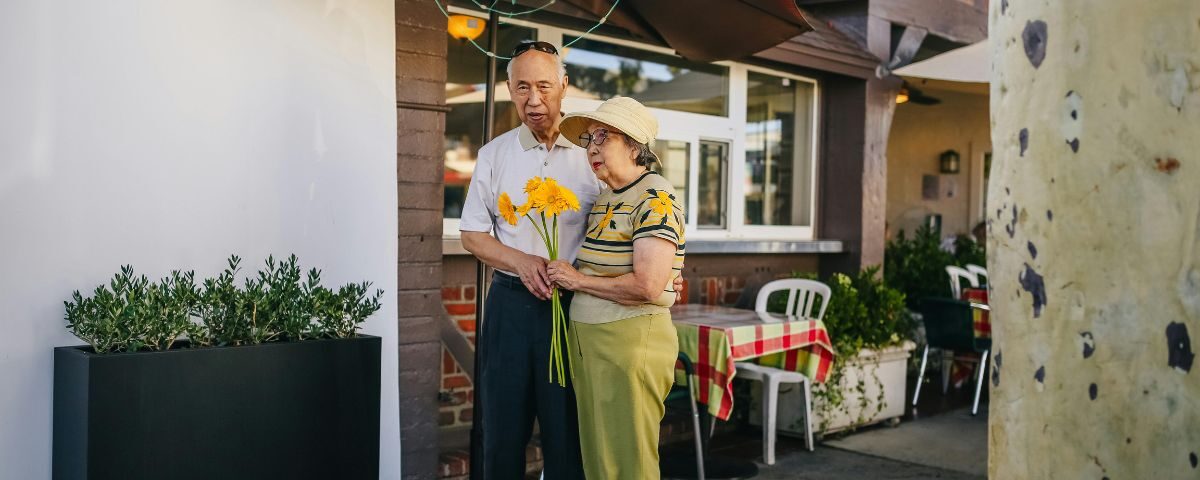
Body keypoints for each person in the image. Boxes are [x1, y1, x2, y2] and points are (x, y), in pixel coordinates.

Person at [459, 40, 594, 480]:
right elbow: (472, 234)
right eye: (522, 88)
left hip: (572, 310)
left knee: (567, 436)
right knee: (502, 434)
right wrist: (521, 261)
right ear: (509, 90)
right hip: (510, 308)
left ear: (564, 85)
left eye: (543, 86)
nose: (533, 100)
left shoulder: (593, 155)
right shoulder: (493, 155)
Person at [547, 97, 685, 479]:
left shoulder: (655, 197)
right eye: (589, 138)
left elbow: (648, 284)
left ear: (634, 146)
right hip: (594, 343)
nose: (591, 147)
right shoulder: (608, 196)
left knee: (628, 460)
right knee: (600, 459)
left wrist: (577, 281)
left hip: (629, 343)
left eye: (603, 136)